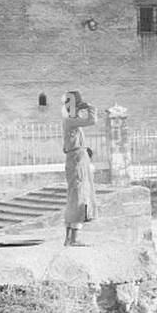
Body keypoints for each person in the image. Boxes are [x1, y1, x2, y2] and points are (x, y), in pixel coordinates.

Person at [62, 90, 97, 246]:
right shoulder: (71, 120)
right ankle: (74, 239)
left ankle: (69, 238)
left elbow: (66, 146)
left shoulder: (70, 121)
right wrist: (90, 106)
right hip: (77, 160)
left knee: (74, 196)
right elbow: (92, 121)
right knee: (79, 195)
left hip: (75, 157)